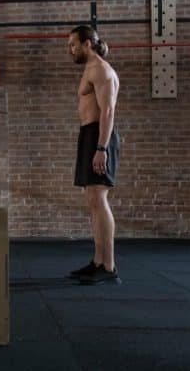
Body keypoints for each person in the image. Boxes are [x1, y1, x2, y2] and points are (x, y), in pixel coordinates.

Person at [66, 25, 121, 285]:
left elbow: (108, 111)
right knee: (92, 200)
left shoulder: (101, 69)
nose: (70, 50)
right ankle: (98, 262)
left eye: (73, 44)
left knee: (99, 198)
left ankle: (109, 267)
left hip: (100, 137)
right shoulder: (90, 69)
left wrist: (101, 148)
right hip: (89, 134)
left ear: (88, 43)